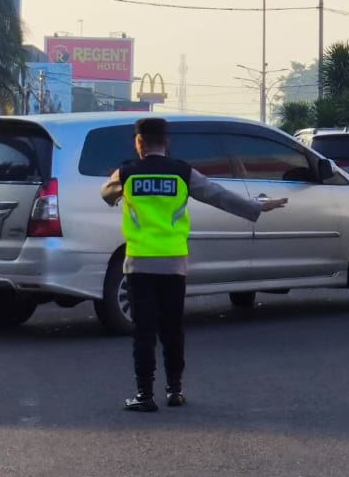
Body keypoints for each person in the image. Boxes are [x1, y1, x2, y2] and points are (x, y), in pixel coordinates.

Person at [101, 116, 287, 412]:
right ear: (167, 142)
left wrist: (123, 188)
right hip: (174, 263)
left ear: (139, 142)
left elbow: (106, 195)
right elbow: (218, 196)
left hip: (140, 263)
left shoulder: (127, 172)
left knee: (144, 331)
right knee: (172, 329)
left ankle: (145, 395)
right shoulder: (182, 173)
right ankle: (175, 391)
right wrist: (256, 206)